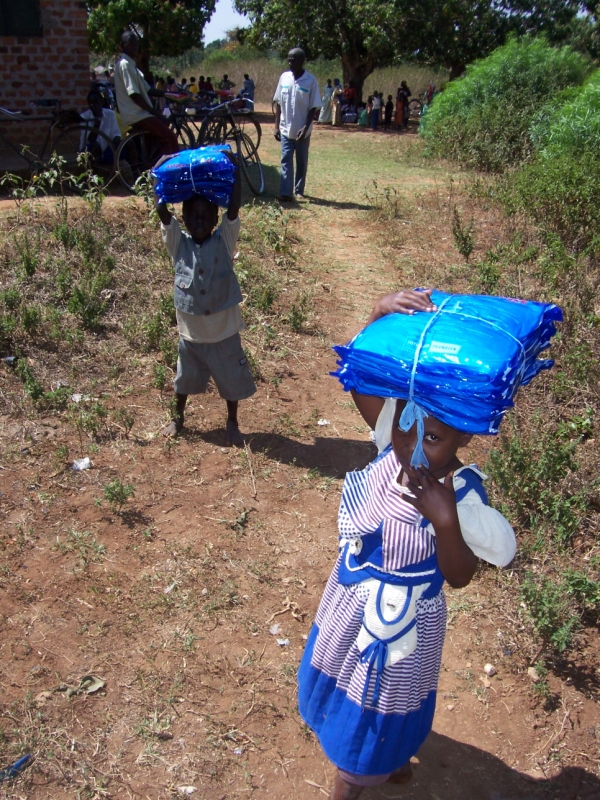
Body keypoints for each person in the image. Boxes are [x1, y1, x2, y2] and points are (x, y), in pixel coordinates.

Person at [297, 288, 518, 800]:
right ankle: (389, 760)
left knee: (367, 730)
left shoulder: (461, 496)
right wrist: (375, 316)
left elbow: (460, 576)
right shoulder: (389, 444)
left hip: (401, 635)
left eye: (434, 438)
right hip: (351, 608)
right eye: (404, 427)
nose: (413, 447)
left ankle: (357, 776)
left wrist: (446, 522)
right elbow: (357, 378)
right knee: (354, 699)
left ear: (464, 437)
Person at [154, 152, 256, 445]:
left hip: (224, 333)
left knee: (231, 382)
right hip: (191, 336)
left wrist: (235, 169)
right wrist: (157, 172)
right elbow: (161, 210)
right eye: (193, 215)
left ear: (215, 218)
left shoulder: (224, 240)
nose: (199, 221)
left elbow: (234, 208)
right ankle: (178, 417)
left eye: (206, 216)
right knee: (183, 380)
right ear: (183, 218)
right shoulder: (178, 244)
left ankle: (232, 422)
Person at [113, 32, 178, 155]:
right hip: (137, 114)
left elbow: (148, 89)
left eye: (136, 44)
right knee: (170, 138)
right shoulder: (125, 65)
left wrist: (170, 94)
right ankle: (175, 166)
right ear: (122, 46)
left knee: (153, 146)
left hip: (139, 113)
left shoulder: (131, 65)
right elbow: (134, 95)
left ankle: (156, 164)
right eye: (131, 44)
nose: (135, 47)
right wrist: (155, 113)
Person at [273, 47, 321, 201]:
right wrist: (276, 126)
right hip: (285, 128)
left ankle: (299, 191)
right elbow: (278, 103)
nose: (290, 63)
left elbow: (313, 107)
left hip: (302, 131)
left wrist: (306, 127)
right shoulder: (284, 78)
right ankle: (285, 193)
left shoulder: (310, 81)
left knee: (301, 161)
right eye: (288, 60)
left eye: (293, 60)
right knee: (286, 160)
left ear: (301, 61)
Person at [79, 88, 121, 162]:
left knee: (126, 143)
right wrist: (97, 120)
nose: (93, 106)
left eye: (96, 103)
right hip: (90, 151)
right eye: (90, 104)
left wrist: (117, 142)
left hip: (107, 149)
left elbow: (116, 134)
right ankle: (96, 167)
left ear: (102, 102)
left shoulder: (111, 114)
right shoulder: (84, 117)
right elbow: (90, 140)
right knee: (95, 145)